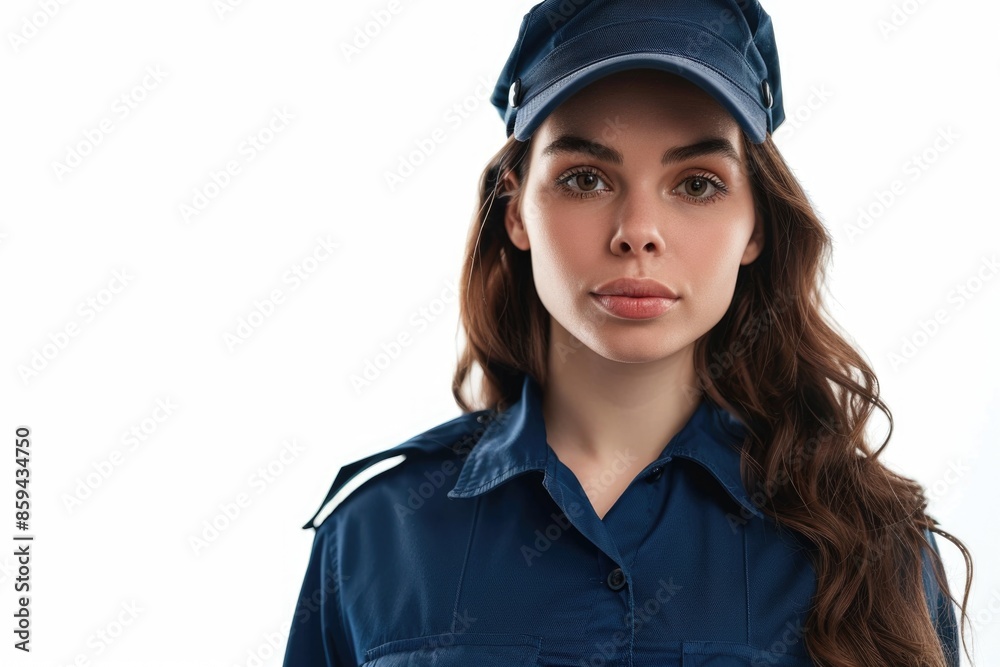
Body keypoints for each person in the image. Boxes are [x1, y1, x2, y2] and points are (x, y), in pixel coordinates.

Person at [283, 1, 974, 665]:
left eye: (697, 184)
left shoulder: (870, 547)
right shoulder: (376, 535)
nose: (637, 231)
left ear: (756, 225)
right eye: (585, 178)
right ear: (516, 209)